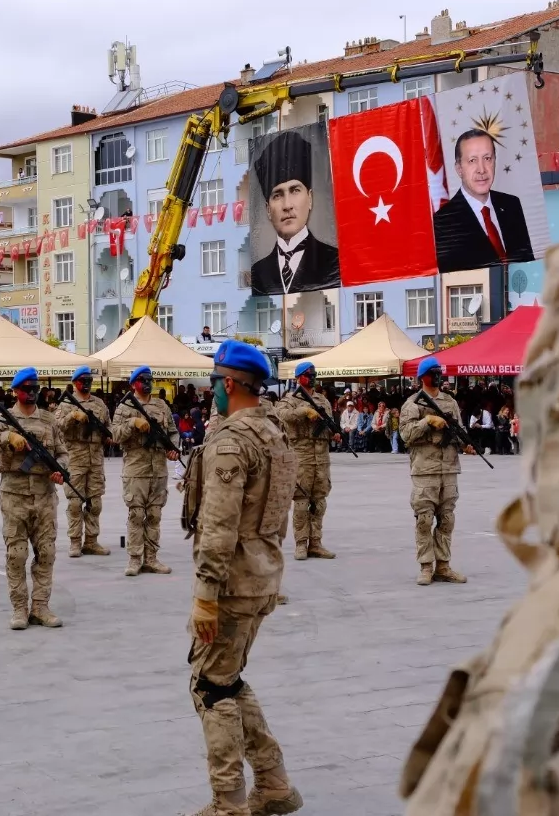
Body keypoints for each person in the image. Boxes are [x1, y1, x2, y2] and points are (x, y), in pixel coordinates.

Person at [181, 341, 304, 816]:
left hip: (232, 583)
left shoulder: (232, 441)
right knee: (227, 680)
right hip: (263, 574)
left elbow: (219, 526)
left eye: (215, 382)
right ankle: (273, 784)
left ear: (229, 384)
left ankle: (228, 802)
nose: (211, 390)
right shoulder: (275, 433)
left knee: (210, 688)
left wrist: (205, 595)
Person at [0, 367, 66, 630]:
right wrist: (6, 438)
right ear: (15, 391)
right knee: (16, 554)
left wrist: (61, 469)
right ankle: (19, 608)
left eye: (35, 388)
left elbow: (63, 453)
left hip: (45, 495)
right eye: (26, 389)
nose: (32, 392)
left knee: (46, 552)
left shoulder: (49, 420)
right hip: (14, 496)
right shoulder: (3, 420)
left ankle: (40, 607)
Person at [397, 357, 467, 586]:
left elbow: (460, 430)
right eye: (433, 373)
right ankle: (426, 566)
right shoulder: (412, 404)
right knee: (424, 520)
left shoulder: (450, 402)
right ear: (423, 377)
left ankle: (443, 566)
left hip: (449, 468)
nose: (438, 376)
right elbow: (405, 435)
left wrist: (464, 441)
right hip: (424, 469)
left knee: (447, 519)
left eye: (439, 372)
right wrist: (427, 421)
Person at [248, 130, 340, 294]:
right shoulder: (259, 272)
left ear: (310, 198)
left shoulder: (334, 261)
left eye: (295, 190)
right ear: (268, 209)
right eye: (277, 195)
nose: (287, 205)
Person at [430, 128, 535, 272]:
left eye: (487, 158)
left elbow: (528, 265)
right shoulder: (442, 223)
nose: (482, 169)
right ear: (459, 169)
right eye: (472, 160)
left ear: (495, 161)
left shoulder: (512, 205)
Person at [109, 365, 179, 577]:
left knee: (155, 515)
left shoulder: (161, 406)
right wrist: (132, 422)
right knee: (136, 515)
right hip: (136, 469)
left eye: (150, 380)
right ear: (133, 384)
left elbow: (173, 432)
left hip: (158, 469)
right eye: (142, 380)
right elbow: (115, 435)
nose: (147, 384)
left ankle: (151, 559)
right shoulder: (124, 408)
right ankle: (134, 559)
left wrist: (173, 449)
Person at [272, 363, 337, 560]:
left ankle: (315, 543)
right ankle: (301, 543)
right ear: (298, 378)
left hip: (322, 458)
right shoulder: (289, 400)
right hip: (301, 457)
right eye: (308, 375)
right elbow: (282, 415)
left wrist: (334, 433)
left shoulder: (322, 400)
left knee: (319, 502)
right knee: (301, 502)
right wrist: (304, 411)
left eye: (314, 374)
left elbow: (329, 424)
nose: (312, 378)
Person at [55, 366, 110, 558]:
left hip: (96, 459)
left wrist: (109, 436)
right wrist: (73, 416)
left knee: (95, 502)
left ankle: (91, 541)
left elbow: (109, 427)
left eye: (89, 380)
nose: (86, 384)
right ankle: (75, 541)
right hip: (75, 458)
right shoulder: (65, 405)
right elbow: (57, 427)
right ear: (75, 382)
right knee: (75, 502)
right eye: (82, 381)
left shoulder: (100, 404)